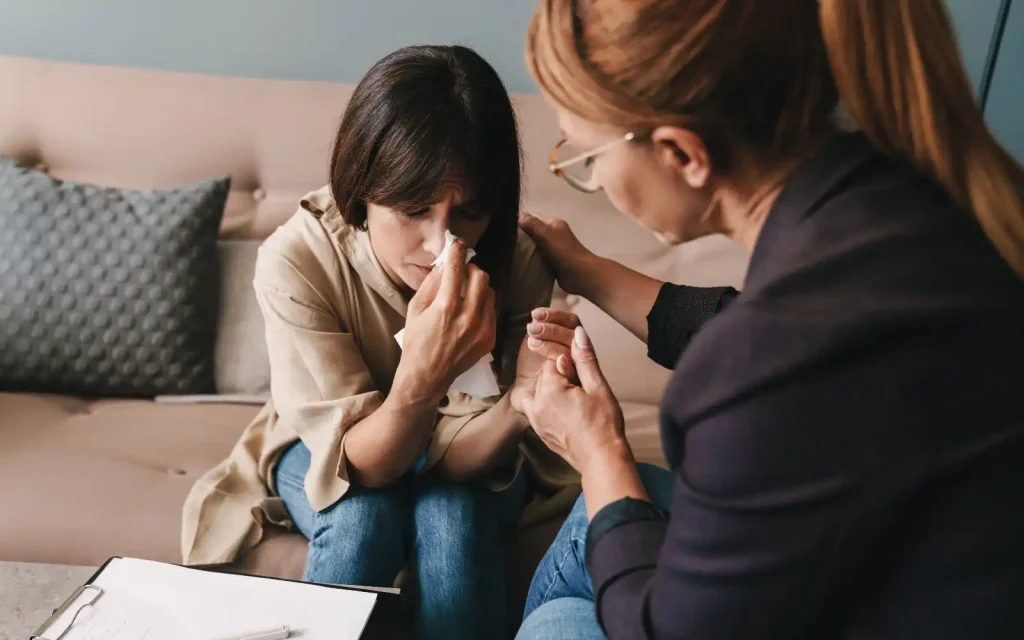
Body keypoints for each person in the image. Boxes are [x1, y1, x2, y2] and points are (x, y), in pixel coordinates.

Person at [511, 0, 1024, 638]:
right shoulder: (899, 197)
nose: (597, 179)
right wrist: (586, 268)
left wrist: (599, 452)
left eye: (590, 157)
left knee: (558, 623)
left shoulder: (770, 362)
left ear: (683, 154)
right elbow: (776, 347)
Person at [180, 45, 578, 640]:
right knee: (364, 511)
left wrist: (520, 403)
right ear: (361, 188)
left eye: (468, 212)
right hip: (332, 447)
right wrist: (423, 373)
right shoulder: (299, 260)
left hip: (474, 455)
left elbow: (463, 459)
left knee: (453, 513)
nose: (441, 242)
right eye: (413, 208)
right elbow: (363, 467)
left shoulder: (512, 259)